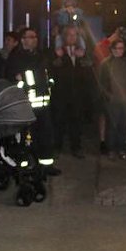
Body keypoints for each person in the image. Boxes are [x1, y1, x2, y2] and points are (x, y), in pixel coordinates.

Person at [5, 27, 60, 175]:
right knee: (26, 138)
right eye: (31, 37)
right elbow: (16, 78)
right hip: (25, 106)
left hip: (43, 104)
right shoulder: (16, 57)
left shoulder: (40, 55)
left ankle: (46, 165)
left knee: (46, 136)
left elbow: (48, 74)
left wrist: (50, 83)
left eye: (35, 37)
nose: (34, 39)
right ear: (23, 40)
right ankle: (24, 166)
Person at [51, 25, 91, 158]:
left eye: (75, 35)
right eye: (69, 35)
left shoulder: (82, 53)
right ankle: (57, 147)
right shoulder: (56, 52)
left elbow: (89, 71)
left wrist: (82, 58)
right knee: (59, 122)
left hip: (77, 94)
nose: (72, 37)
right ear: (64, 37)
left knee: (76, 122)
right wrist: (58, 57)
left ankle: (76, 147)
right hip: (61, 94)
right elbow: (52, 70)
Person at [99, 39, 126, 160]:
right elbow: (102, 83)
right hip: (113, 101)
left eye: (122, 48)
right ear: (113, 49)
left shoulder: (125, 62)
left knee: (123, 126)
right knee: (112, 126)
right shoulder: (106, 64)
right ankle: (111, 149)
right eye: (119, 48)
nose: (121, 51)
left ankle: (121, 149)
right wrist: (108, 96)